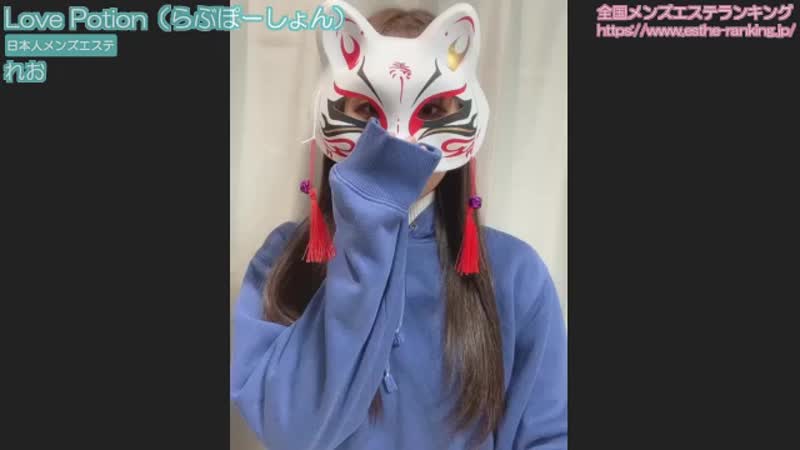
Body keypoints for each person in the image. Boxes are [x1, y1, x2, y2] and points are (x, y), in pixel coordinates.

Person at [231, 3, 566, 449]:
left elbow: (548, 434)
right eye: (368, 110)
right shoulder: (284, 260)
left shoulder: (514, 273)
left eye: (432, 110)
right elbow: (291, 429)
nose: (398, 137)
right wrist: (366, 230)